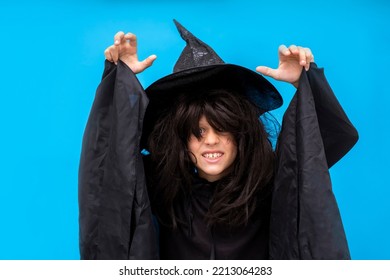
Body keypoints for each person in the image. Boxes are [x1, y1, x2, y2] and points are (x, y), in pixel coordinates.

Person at [79, 20, 358, 260]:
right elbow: (107, 162)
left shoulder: (272, 180)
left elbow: (328, 140)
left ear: (241, 133)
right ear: (180, 139)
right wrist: (119, 79)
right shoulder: (159, 184)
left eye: (222, 129)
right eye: (197, 132)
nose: (210, 141)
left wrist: (306, 83)